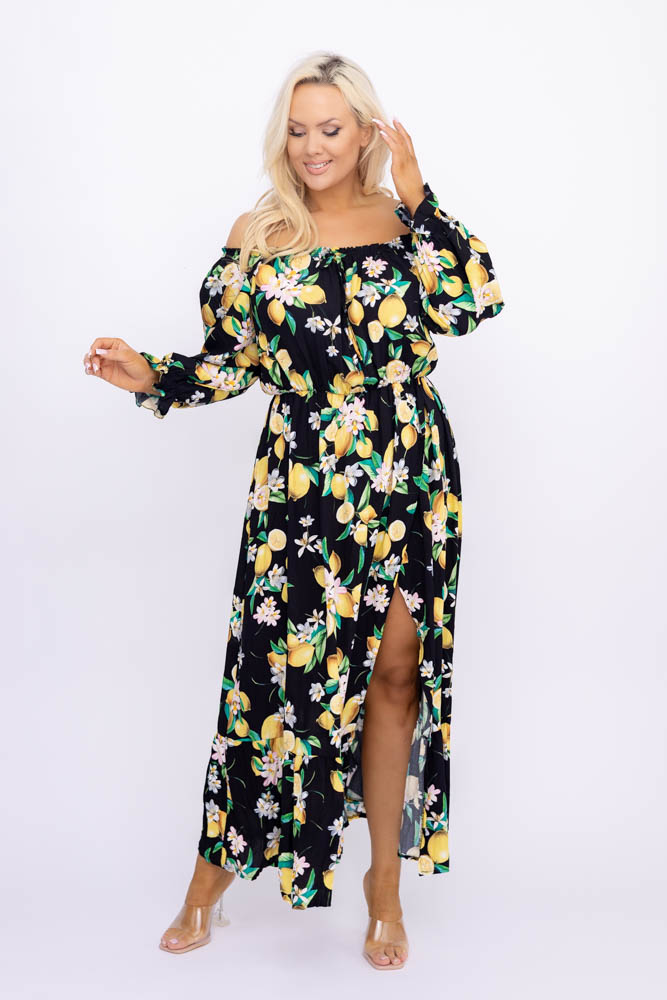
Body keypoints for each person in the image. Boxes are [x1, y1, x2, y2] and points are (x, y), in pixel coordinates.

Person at [83, 50, 505, 970]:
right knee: (274, 682)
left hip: (409, 472)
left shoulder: (406, 224)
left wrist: (420, 194)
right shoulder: (261, 233)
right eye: (299, 128)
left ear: (365, 132)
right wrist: (150, 375)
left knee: (394, 674)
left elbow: (473, 302)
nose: (313, 146)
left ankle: (383, 889)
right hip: (304, 484)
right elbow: (231, 363)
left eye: (331, 128)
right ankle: (208, 883)